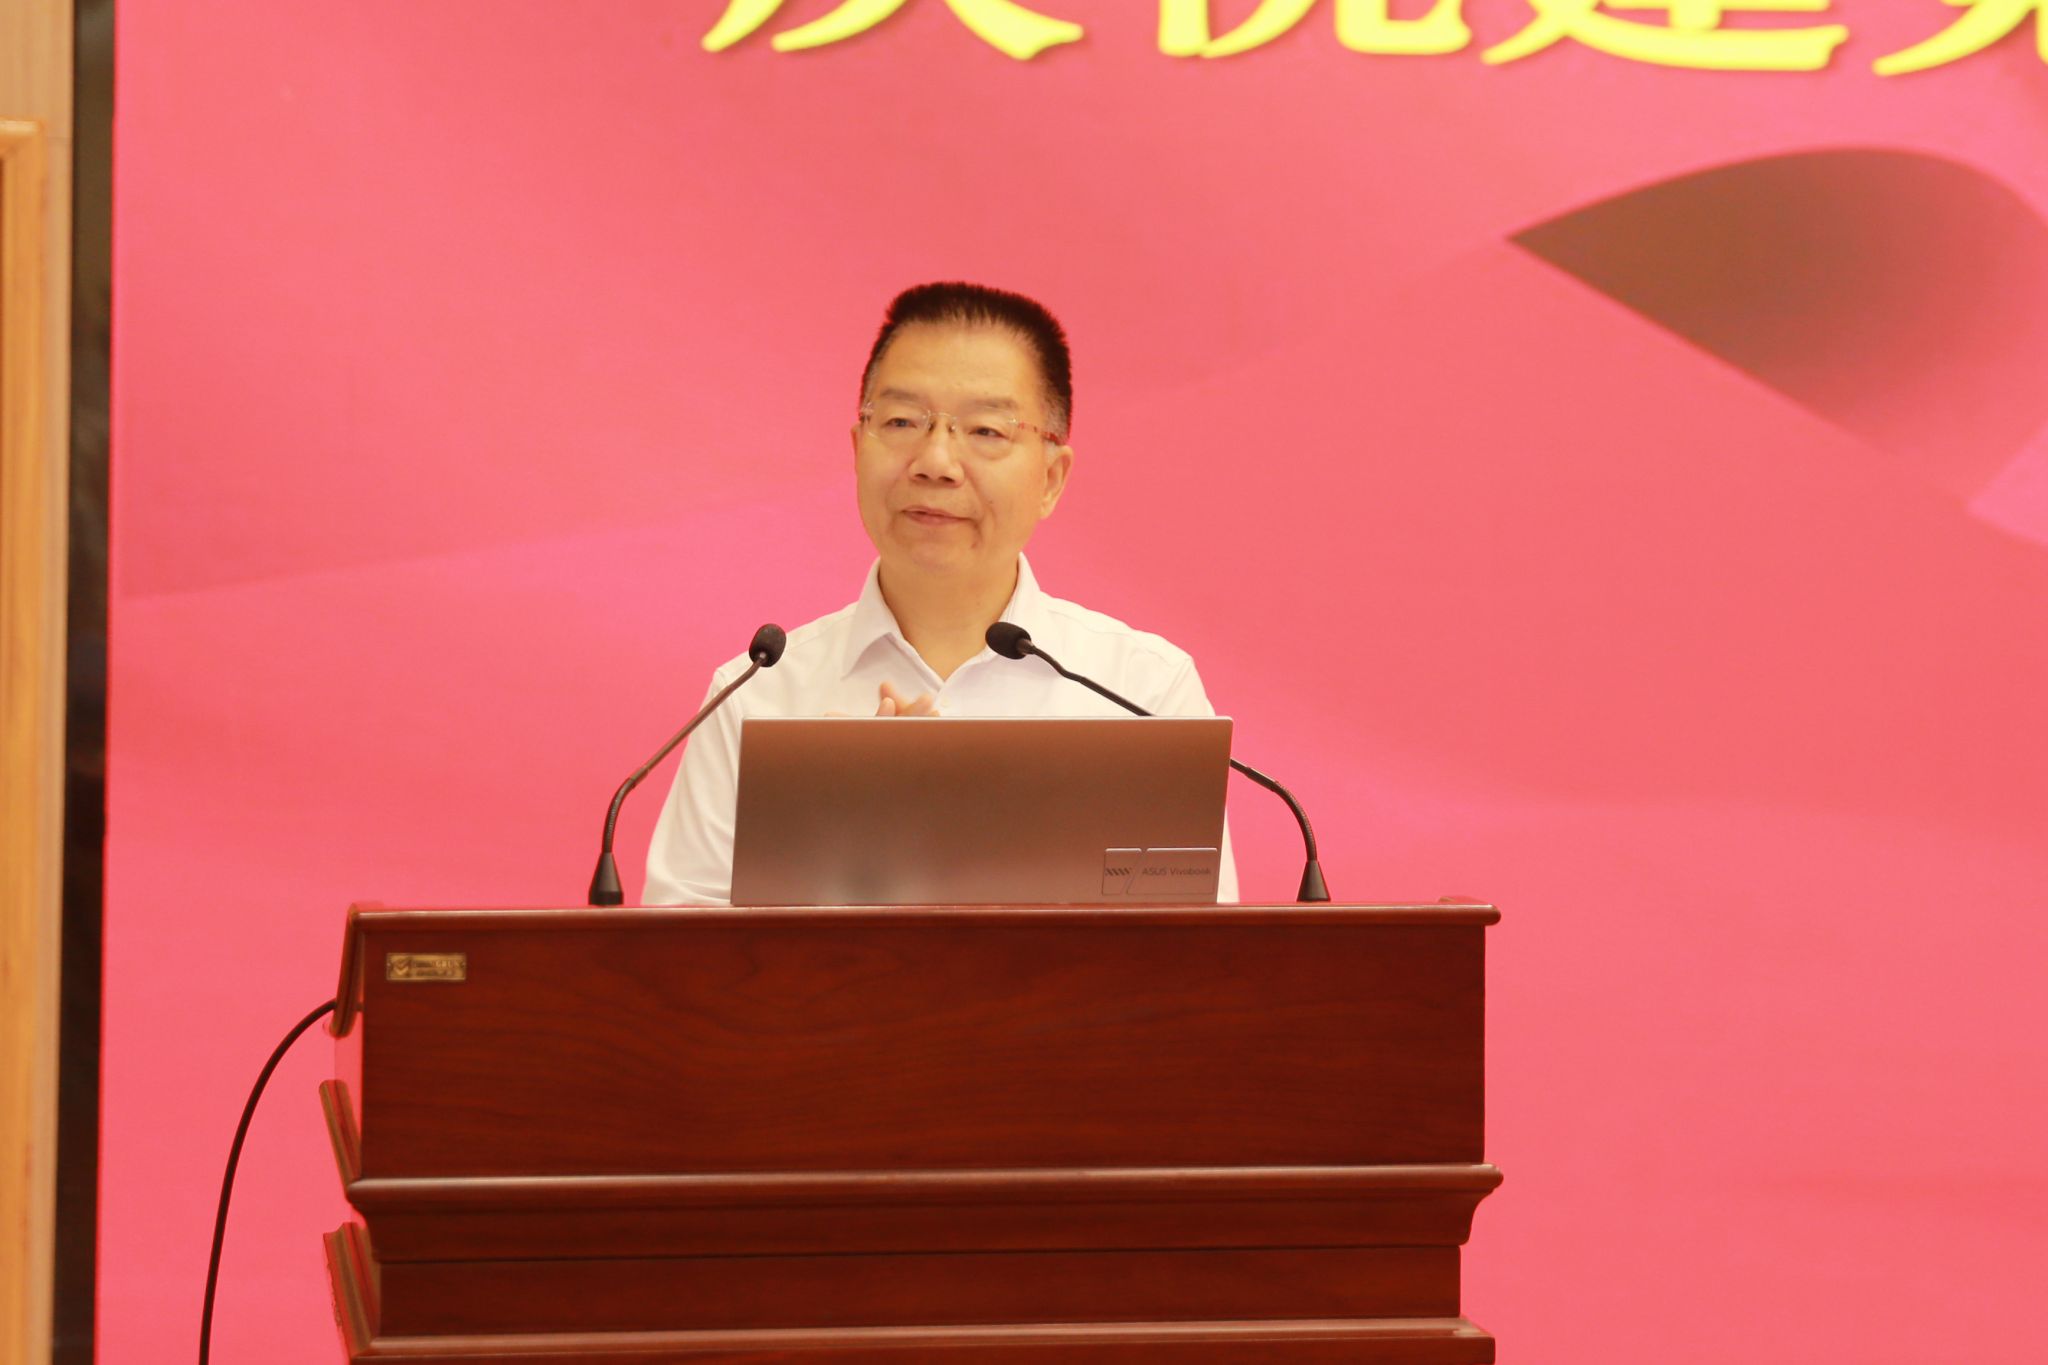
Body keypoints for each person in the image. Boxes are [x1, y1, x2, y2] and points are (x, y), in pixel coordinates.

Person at [642, 281, 1237, 904]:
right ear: (858, 449)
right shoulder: (758, 696)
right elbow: (684, 949)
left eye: (986, 430)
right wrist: (838, 853)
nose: (936, 461)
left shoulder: (1141, 695)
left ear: (1051, 479)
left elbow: (1202, 949)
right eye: (902, 421)